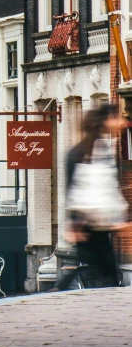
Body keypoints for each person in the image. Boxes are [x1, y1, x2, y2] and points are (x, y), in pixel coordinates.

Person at [58, 105, 127, 290]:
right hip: (91, 223)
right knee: (104, 268)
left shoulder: (91, 149)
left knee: (97, 265)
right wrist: (117, 220)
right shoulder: (95, 150)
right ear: (106, 121)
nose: (122, 122)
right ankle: (59, 290)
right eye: (117, 118)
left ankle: (63, 289)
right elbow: (96, 188)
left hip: (91, 222)